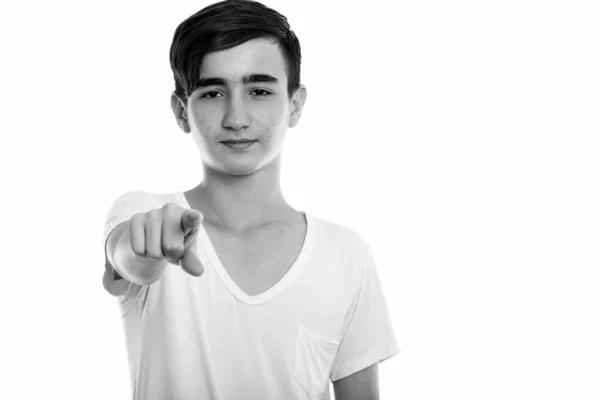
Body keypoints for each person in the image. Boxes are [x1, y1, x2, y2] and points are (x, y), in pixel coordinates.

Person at [102, 1, 400, 398]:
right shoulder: (143, 212)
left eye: (259, 90)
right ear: (180, 112)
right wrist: (147, 249)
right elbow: (129, 256)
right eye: (212, 92)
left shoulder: (347, 255)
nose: (236, 118)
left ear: (295, 103)